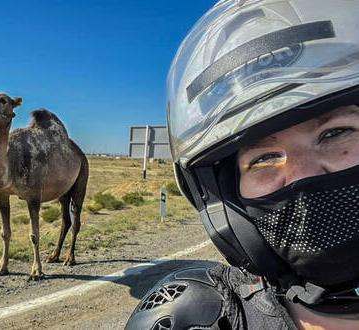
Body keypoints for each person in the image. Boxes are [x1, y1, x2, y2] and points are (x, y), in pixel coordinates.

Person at [126, 0, 359, 329]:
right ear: (224, 199)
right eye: (263, 158)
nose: (303, 174)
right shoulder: (204, 320)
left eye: (336, 133)